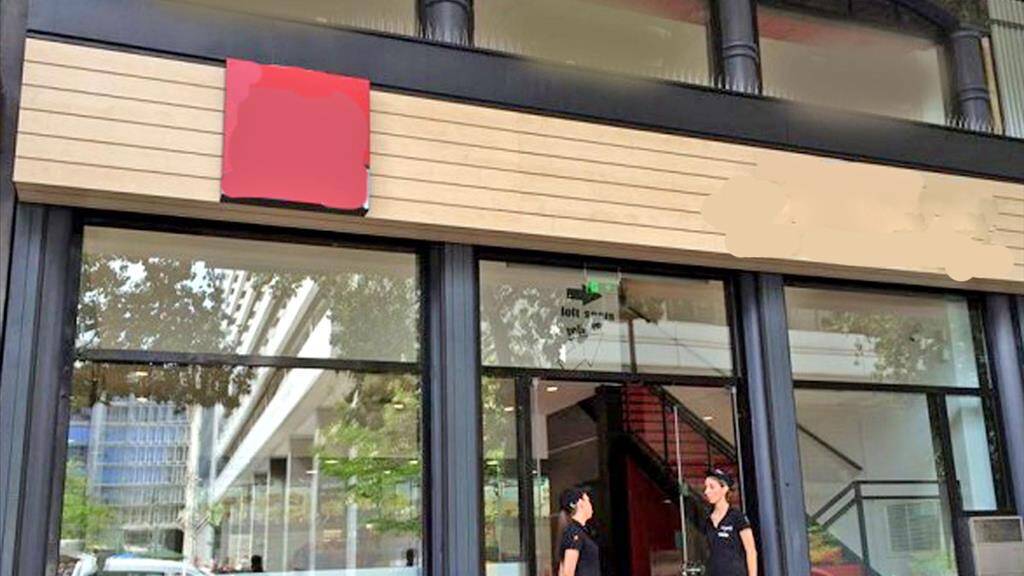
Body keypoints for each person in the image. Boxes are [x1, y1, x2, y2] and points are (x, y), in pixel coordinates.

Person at [703, 469, 758, 576]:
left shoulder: (737, 517)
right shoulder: (707, 520)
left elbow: (750, 551)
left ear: (724, 489)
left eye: (711, 487)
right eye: (705, 487)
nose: (706, 491)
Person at [557, 486, 600, 576]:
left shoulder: (580, 531)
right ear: (580, 503)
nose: (591, 505)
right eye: (588, 501)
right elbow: (567, 573)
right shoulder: (574, 532)